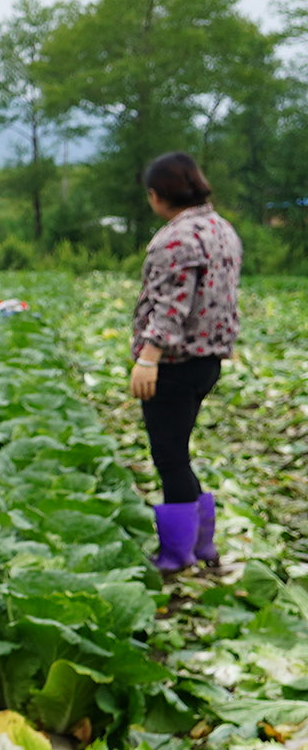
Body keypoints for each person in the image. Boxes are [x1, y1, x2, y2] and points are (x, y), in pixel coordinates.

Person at [129, 151, 242, 572]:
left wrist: (148, 358)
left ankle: (177, 555)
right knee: (179, 453)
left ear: (157, 196)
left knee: (170, 456)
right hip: (208, 360)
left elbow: (171, 307)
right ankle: (203, 546)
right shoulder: (221, 229)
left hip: (174, 362)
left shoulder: (175, 238)